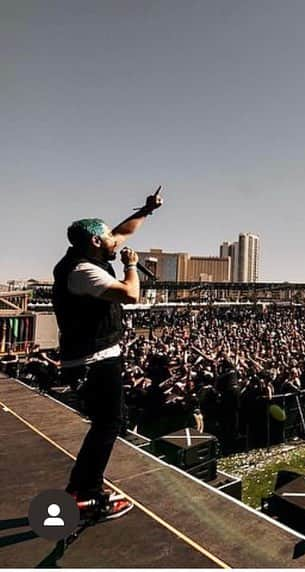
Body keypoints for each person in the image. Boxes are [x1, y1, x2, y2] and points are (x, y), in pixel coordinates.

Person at [53, 189, 162, 520]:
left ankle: (83, 485)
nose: (116, 241)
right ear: (94, 243)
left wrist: (147, 210)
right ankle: (85, 493)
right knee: (109, 422)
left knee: (108, 421)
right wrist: (132, 266)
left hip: (97, 355)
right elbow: (131, 295)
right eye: (107, 238)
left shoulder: (90, 254)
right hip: (93, 360)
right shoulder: (83, 271)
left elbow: (123, 231)